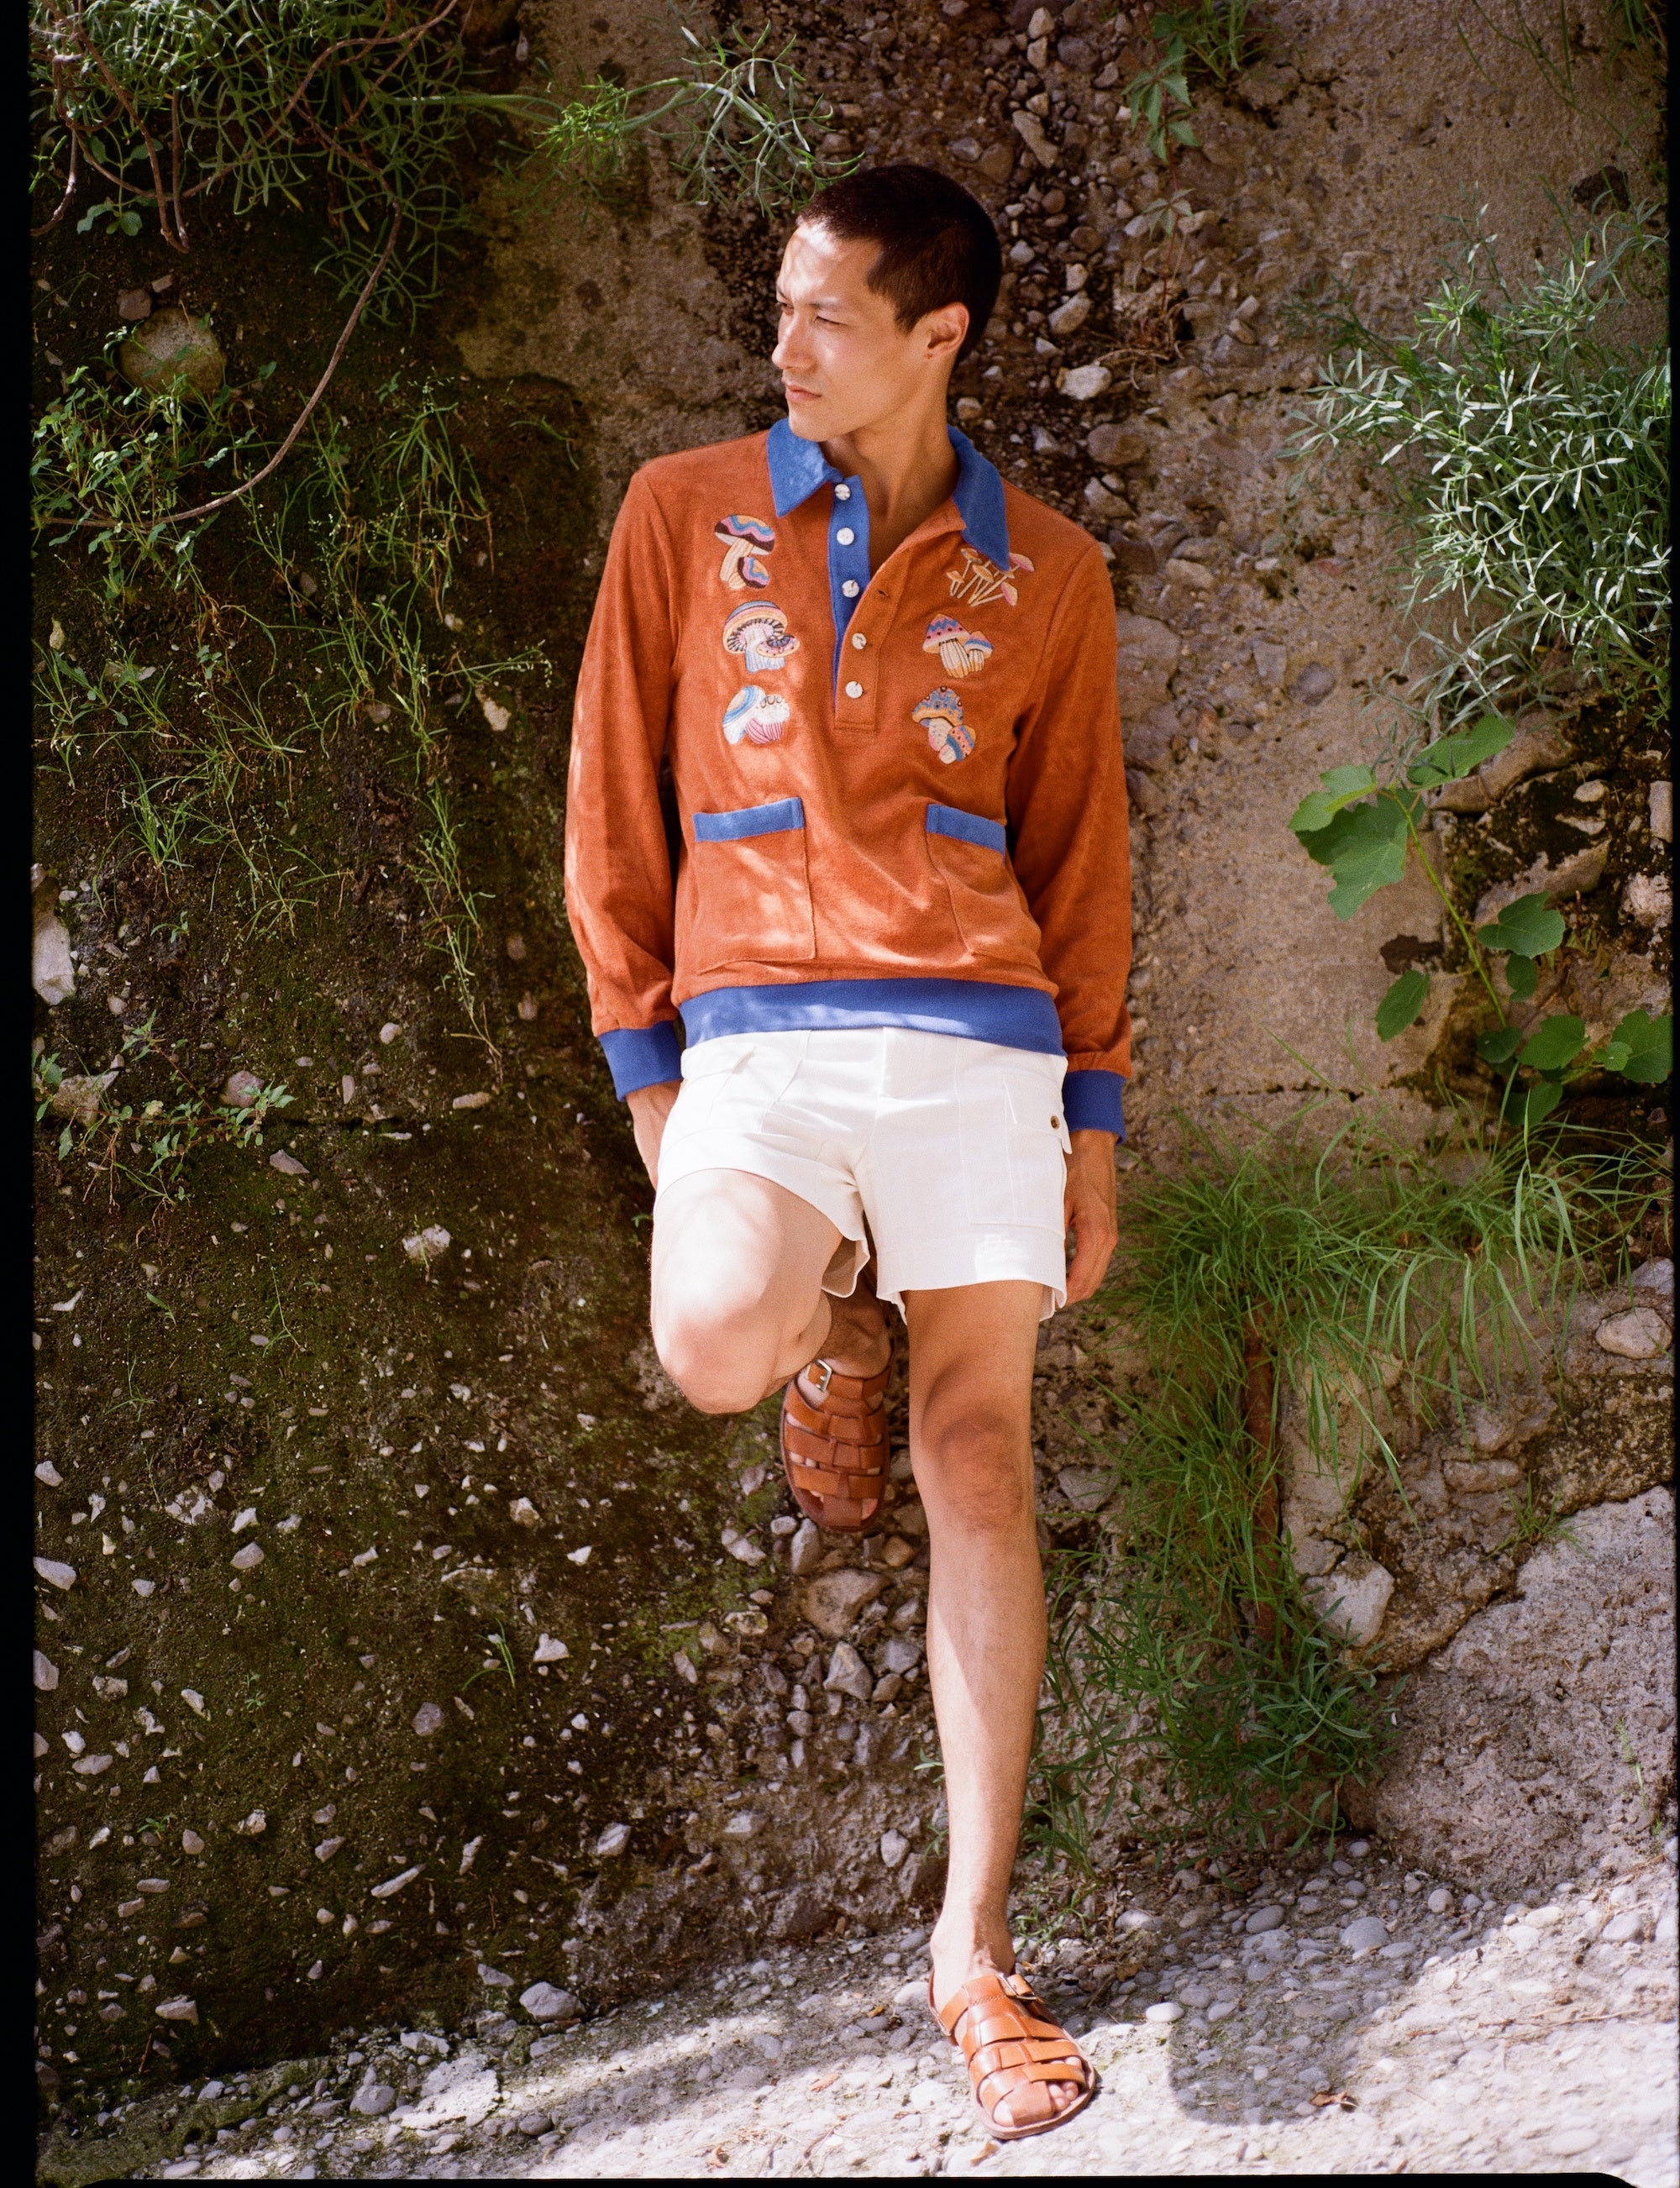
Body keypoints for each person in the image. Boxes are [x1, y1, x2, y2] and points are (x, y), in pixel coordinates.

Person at [564, 162, 1131, 2141]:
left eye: (821, 315)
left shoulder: (1047, 570)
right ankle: (826, 1324)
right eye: (777, 305)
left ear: (936, 336)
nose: (780, 342)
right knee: (713, 1334)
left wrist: (1095, 1119)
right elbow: (610, 824)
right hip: (759, 1049)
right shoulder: (682, 512)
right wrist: (661, 1101)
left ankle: (970, 1952)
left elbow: (1079, 859)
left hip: (982, 1042)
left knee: (977, 1456)